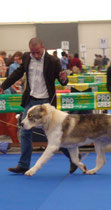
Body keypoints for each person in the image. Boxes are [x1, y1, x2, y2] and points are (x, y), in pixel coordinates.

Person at [0, 37, 79, 174]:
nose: (35, 55)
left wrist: (63, 78)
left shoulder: (53, 61)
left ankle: (73, 159)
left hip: (46, 104)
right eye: (32, 52)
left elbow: (63, 82)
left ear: (42, 47)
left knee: (55, 135)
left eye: (37, 52)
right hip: (31, 100)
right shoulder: (26, 57)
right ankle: (23, 165)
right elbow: (17, 73)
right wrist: (3, 86)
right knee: (25, 131)